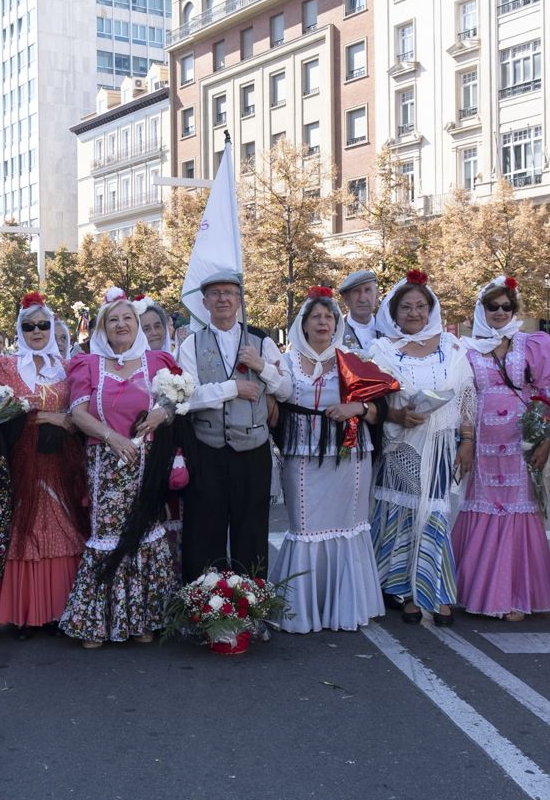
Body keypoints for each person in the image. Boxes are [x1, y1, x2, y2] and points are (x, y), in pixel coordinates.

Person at [61, 288, 180, 647]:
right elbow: (78, 413)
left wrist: (163, 412)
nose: (121, 324)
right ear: (103, 329)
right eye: (113, 320)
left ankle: (143, 618)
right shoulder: (89, 364)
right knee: (109, 534)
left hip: (147, 461)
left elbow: (174, 400)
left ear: (137, 324)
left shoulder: (157, 361)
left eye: (127, 318)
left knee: (145, 531)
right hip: (108, 461)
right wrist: (113, 438)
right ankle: (97, 622)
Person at [270, 288, 389, 632]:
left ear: (337, 324)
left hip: (350, 453)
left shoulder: (352, 359)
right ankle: (303, 611)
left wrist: (358, 407)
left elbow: (383, 407)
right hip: (302, 453)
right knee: (305, 527)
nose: (323, 322)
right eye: (316, 317)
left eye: (329, 317)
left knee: (349, 527)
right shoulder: (285, 362)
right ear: (303, 325)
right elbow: (273, 405)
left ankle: (344, 607)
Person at [365, 270, 476, 625]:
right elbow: (370, 400)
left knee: (436, 514)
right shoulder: (381, 350)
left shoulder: (453, 348)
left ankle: (437, 592)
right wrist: (395, 414)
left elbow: (467, 399)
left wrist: (467, 441)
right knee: (402, 516)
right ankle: (406, 592)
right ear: (394, 314)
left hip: (442, 445)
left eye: (420, 306)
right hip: (400, 446)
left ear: (431, 309)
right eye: (406, 308)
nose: (413, 313)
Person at [452, 277, 550, 621]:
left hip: (521, 443)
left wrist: (544, 438)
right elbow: (465, 401)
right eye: (492, 306)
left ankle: (515, 593)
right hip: (483, 444)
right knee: (485, 507)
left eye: (506, 307)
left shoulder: (532, 343)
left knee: (517, 509)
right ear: (480, 310)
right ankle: (476, 590)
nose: (500, 313)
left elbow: (544, 395)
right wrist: (466, 441)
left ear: (515, 310)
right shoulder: (465, 349)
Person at [175, 270, 285, 578]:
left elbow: (286, 390)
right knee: (204, 533)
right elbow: (187, 396)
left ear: (239, 300)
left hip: (252, 450)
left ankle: (250, 604)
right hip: (207, 450)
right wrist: (233, 388)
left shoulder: (261, 340)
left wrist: (261, 366)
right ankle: (205, 608)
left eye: (229, 292)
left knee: (251, 532)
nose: (222, 298)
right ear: (205, 301)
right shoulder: (190, 344)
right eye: (215, 293)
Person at [0, 293, 86, 636]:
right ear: (20, 329)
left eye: (43, 325)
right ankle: (24, 612)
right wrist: (50, 417)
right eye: (28, 326)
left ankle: (60, 610)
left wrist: (63, 420)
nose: (36, 331)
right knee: (23, 532)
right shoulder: (6, 366)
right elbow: (3, 413)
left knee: (66, 528)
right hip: (22, 464)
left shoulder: (68, 366)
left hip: (61, 463)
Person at [337, 270, 382, 353]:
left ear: (376, 296)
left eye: (367, 290)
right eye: (356, 291)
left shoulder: (388, 331)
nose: (362, 299)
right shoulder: (336, 333)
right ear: (346, 299)